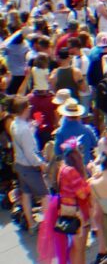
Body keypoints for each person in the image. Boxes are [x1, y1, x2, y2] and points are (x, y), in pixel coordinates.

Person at [10, 95, 46, 231]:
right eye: (28, 106)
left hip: (19, 164)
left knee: (26, 194)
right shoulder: (24, 129)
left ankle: (31, 223)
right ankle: (48, 224)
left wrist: (33, 126)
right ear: (25, 109)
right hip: (28, 166)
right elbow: (30, 152)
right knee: (45, 194)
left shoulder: (15, 123)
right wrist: (40, 163)